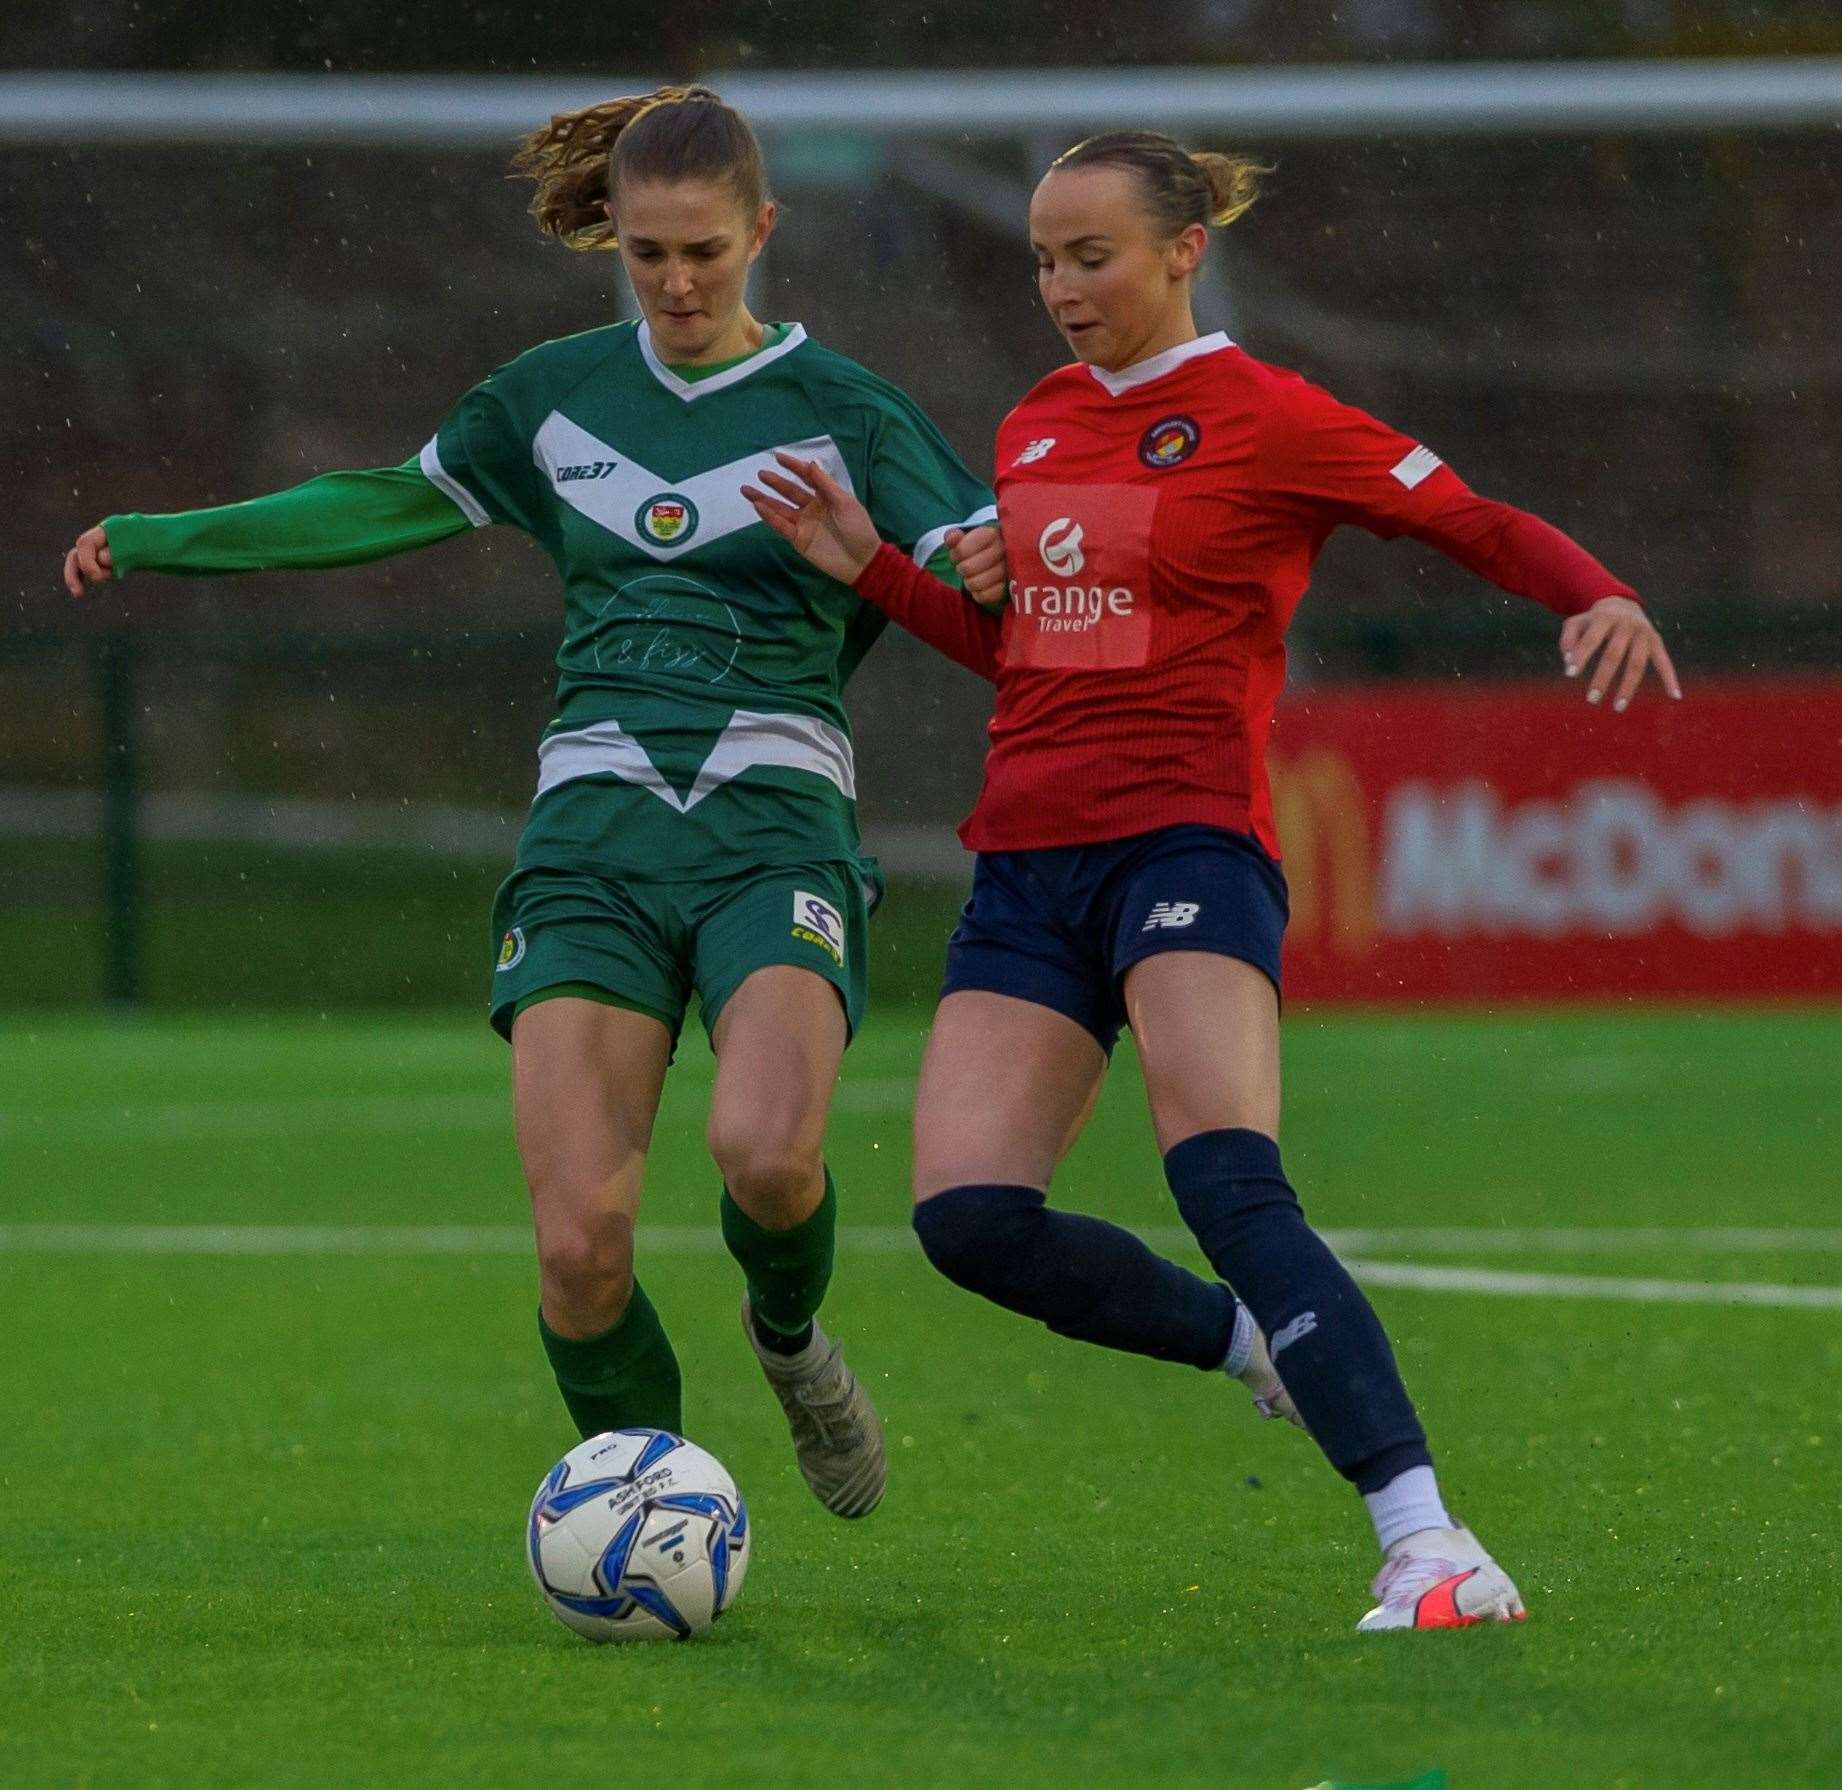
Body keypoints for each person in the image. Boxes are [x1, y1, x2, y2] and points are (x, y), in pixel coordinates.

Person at [744, 128, 1681, 1623]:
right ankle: (1252, 1348)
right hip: (1027, 865)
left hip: (1185, 840)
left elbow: (1468, 518)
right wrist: (869, 562)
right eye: (1043, 258)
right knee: (969, 1220)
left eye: (1090, 254)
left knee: (1222, 1170)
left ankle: (1430, 1539)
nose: (1059, 285)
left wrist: (1595, 590)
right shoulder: (1038, 423)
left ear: (1182, 251)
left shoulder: (1263, 414)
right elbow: (1029, 656)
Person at [62, 84, 1003, 1521]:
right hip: (590, 843)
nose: (679, 283)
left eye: (705, 251)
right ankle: (656, 1512)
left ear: (762, 228)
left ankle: (793, 1342)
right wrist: (162, 538)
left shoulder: (851, 412)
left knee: (765, 1152)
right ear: (610, 240)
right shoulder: (551, 397)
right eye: (647, 254)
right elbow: (381, 501)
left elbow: (989, 588)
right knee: (580, 1245)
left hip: (774, 835)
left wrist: (981, 561)